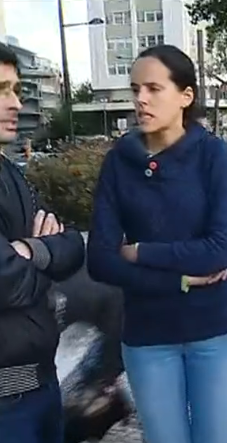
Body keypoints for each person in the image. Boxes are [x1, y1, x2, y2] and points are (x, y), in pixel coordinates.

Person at [86, 45, 227, 443]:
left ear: (186, 96)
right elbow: (101, 261)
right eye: (135, 89)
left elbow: (220, 249)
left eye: (154, 88)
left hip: (215, 331)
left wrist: (142, 252)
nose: (141, 99)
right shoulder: (118, 162)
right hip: (147, 335)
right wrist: (178, 280)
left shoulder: (212, 154)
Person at [0, 43, 85, 443]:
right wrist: (45, 262)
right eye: (1, 90)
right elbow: (4, 280)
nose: (15, 102)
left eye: (15, 89)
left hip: (41, 383)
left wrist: (32, 251)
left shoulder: (11, 173)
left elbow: (71, 245)